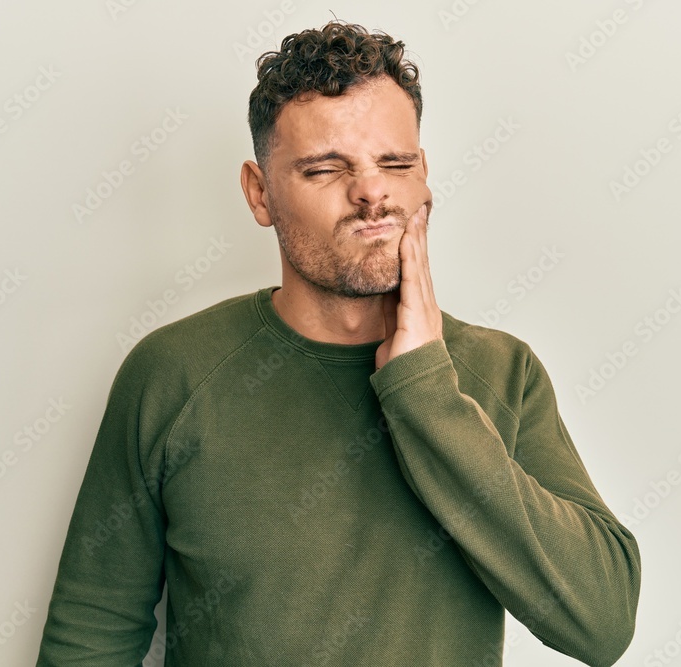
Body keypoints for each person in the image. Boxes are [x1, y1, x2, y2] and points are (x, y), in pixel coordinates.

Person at [35, 20, 641, 667]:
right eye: (326, 168)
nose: (372, 192)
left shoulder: (502, 371)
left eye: (395, 164)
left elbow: (601, 625)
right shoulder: (172, 373)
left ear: (423, 176)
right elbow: (89, 637)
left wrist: (426, 391)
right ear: (260, 193)